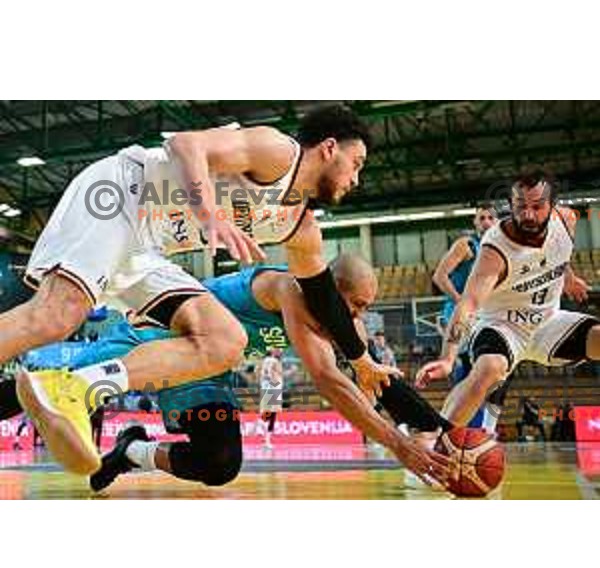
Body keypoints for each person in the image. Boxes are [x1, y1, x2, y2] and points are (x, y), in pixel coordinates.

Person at [11, 105, 398, 474]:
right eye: (356, 164)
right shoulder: (279, 152)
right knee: (56, 316)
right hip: (123, 192)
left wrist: (362, 360)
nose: (356, 178)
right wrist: (208, 210)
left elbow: (324, 298)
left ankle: (75, 387)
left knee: (226, 340)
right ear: (330, 149)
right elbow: (185, 144)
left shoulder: (301, 228)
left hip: (146, 244)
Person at [0, 255, 450, 490]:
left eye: (365, 308)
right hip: (155, 337)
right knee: (41, 388)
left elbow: (375, 379)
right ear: (330, 290)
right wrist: (399, 445)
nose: (357, 316)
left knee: (218, 465)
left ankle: (131, 450)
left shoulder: (341, 326)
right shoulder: (285, 288)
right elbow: (328, 380)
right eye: (353, 304)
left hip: (205, 369)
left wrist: (445, 433)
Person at [416, 170, 593, 429]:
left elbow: (556, 252)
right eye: (520, 207)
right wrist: (447, 357)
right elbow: (468, 303)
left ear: (553, 206)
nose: (528, 215)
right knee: (489, 368)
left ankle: (486, 427)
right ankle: (439, 443)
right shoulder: (493, 248)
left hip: (548, 321)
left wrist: (570, 277)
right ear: (510, 206)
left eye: (537, 206)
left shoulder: (567, 220)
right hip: (501, 326)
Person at [433, 204, 501, 431]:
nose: (486, 221)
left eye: (491, 217)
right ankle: (461, 430)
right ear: (474, 222)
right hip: (460, 313)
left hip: (484, 315)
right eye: (481, 218)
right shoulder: (466, 245)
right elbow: (439, 276)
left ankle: (484, 429)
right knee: (466, 372)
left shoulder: (500, 249)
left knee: (492, 370)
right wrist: (460, 299)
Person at [258, 348, 284, 449]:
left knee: (267, 414)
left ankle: (266, 440)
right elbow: (272, 374)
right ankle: (267, 440)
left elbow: (258, 372)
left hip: (265, 388)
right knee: (272, 415)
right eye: (278, 350)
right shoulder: (274, 361)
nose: (280, 352)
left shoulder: (263, 361)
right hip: (273, 388)